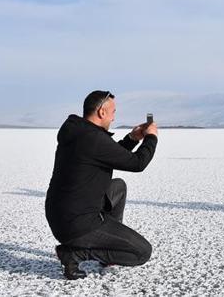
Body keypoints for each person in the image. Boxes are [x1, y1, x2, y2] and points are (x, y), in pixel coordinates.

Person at [45, 90, 158, 280]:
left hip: (62, 215)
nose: (114, 118)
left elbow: (111, 155)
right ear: (101, 112)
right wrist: (151, 138)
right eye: (113, 112)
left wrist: (132, 138)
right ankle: (74, 254)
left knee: (118, 187)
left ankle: (109, 247)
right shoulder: (94, 139)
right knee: (142, 252)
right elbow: (137, 163)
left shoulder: (80, 132)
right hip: (77, 224)